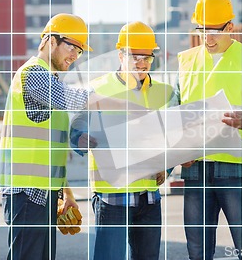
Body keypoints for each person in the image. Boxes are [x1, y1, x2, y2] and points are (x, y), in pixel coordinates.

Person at [173, 0, 242, 260]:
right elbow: (174, 113)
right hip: (195, 172)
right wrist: (175, 152)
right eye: (202, 29)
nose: (207, 37)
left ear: (230, 26)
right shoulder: (186, 62)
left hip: (236, 170)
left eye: (214, 30)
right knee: (198, 253)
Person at [70, 21, 173, 260]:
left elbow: (173, 138)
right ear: (120, 55)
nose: (141, 63)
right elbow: (76, 128)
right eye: (135, 56)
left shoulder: (164, 93)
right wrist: (81, 138)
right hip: (111, 197)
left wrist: (167, 166)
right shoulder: (98, 88)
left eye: (147, 57)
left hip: (149, 197)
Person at [0, 13, 93, 260]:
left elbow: (49, 149)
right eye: (72, 46)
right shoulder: (33, 74)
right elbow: (79, 98)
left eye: (80, 51)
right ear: (50, 41)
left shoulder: (49, 81)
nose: (74, 55)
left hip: (44, 192)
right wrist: (119, 100)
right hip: (27, 191)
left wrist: (66, 193)